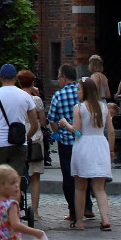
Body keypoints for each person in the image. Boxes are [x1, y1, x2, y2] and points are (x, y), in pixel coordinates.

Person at [58, 77, 115, 230]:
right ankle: (105, 219)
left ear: (85, 91)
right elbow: (111, 131)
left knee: (80, 187)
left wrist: (65, 123)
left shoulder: (80, 108)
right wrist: (111, 149)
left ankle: (79, 222)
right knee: (99, 187)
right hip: (100, 144)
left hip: (84, 145)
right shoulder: (104, 107)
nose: (77, 92)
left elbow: (77, 131)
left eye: (78, 89)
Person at [48, 64, 94, 219]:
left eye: (59, 77)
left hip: (66, 142)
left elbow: (53, 119)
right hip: (85, 140)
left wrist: (56, 133)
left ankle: (73, 210)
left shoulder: (58, 95)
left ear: (64, 77)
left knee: (68, 176)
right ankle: (87, 206)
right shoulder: (84, 92)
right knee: (85, 173)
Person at [0, 64, 38, 177]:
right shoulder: (25, 96)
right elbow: (34, 125)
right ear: (16, 78)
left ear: (0, 78)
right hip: (19, 143)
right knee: (15, 180)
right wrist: (25, 137)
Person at [17, 70, 47, 218]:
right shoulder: (36, 101)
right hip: (35, 138)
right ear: (33, 82)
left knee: (19, 174)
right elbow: (42, 121)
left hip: (20, 138)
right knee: (35, 177)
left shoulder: (17, 98)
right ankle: (34, 211)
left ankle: (17, 205)